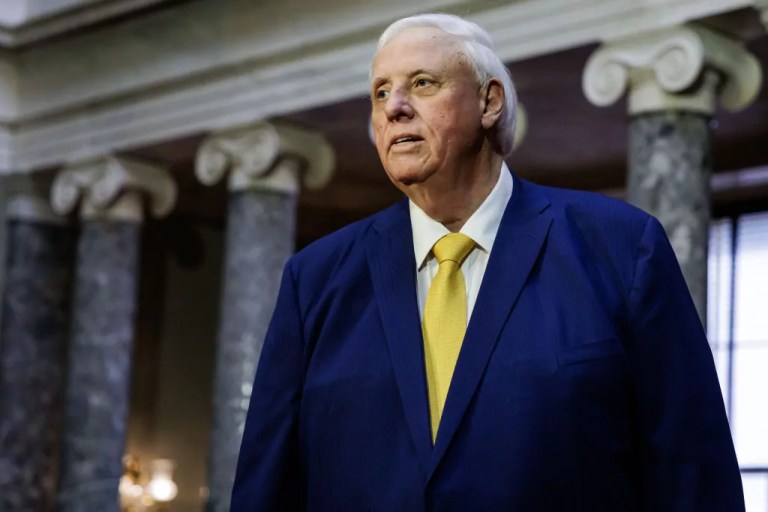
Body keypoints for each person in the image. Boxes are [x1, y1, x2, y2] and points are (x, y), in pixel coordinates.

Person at [231, 13, 744, 511]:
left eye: (423, 83)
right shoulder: (315, 280)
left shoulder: (622, 247)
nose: (395, 107)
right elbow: (266, 488)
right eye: (381, 92)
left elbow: (694, 477)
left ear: (489, 101)